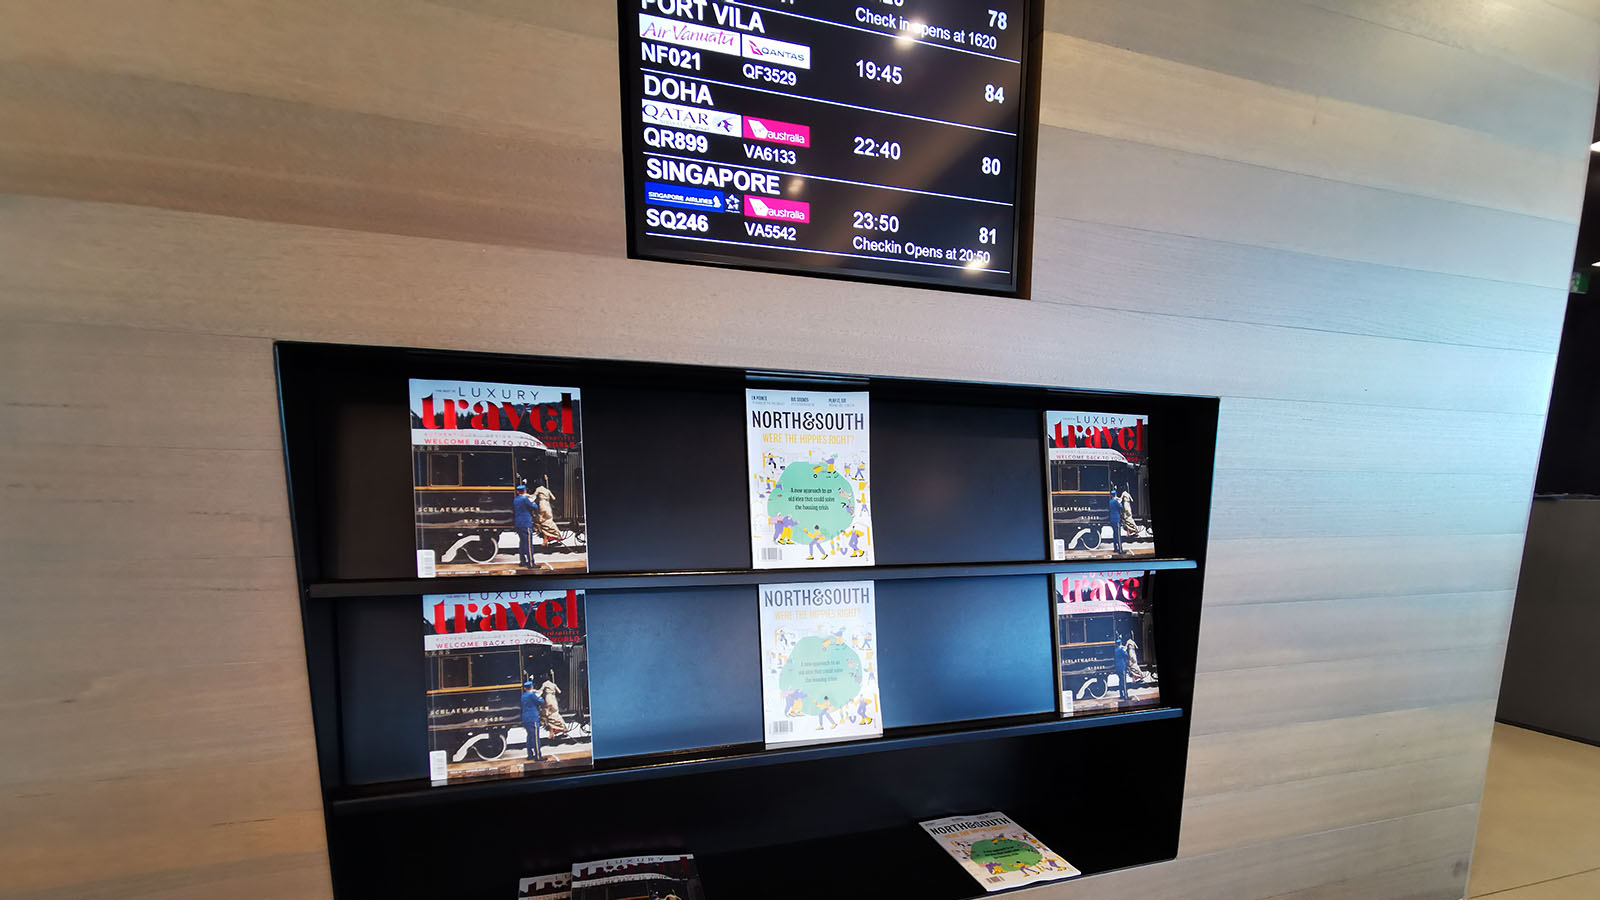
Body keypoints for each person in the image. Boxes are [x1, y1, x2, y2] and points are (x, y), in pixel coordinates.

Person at [532, 475, 563, 546]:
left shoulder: (538, 489)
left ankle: (545, 540)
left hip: (542, 505)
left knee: (541, 523)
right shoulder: (547, 490)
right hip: (548, 507)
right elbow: (554, 498)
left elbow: (533, 496)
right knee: (549, 523)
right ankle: (552, 538)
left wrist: (526, 495)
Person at [513, 483, 539, 568]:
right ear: (524, 491)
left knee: (522, 543)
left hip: (518, 523)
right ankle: (531, 563)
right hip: (525, 523)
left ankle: (522, 561)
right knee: (528, 544)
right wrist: (534, 502)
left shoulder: (515, 499)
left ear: (517, 492)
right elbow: (534, 507)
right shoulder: (525, 499)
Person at [538, 669, 570, 736]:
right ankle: (562, 727)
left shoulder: (545, 683)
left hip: (548, 698)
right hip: (553, 699)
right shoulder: (553, 684)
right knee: (556, 714)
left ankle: (555, 729)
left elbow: (540, 691)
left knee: (548, 715)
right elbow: (559, 692)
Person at [520, 679, 544, 762]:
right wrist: (540, 696)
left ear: (525, 688)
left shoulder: (523, 695)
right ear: (532, 687)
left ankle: (530, 755)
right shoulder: (531, 695)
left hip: (525, 719)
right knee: (536, 738)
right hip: (533, 718)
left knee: (529, 737)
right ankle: (538, 756)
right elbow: (540, 701)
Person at [1113, 634, 1131, 702]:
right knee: (1124, 682)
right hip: (1122, 667)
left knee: (1120, 681)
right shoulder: (1121, 650)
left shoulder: (1115, 650)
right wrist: (1125, 649)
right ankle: (1126, 696)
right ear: (1120, 643)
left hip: (1117, 667)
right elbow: (1126, 655)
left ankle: (1121, 695)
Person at [1108, 485, 1124, 553]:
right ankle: (1120, 550)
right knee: (1118, 535)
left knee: (1114, 535)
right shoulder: (1115, 501)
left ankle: (1115, 548)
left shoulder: (1110, 501)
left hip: (1112, 519)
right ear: (1115, 494)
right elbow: (1121, 507)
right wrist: (1120, 501)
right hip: (1116, 519)